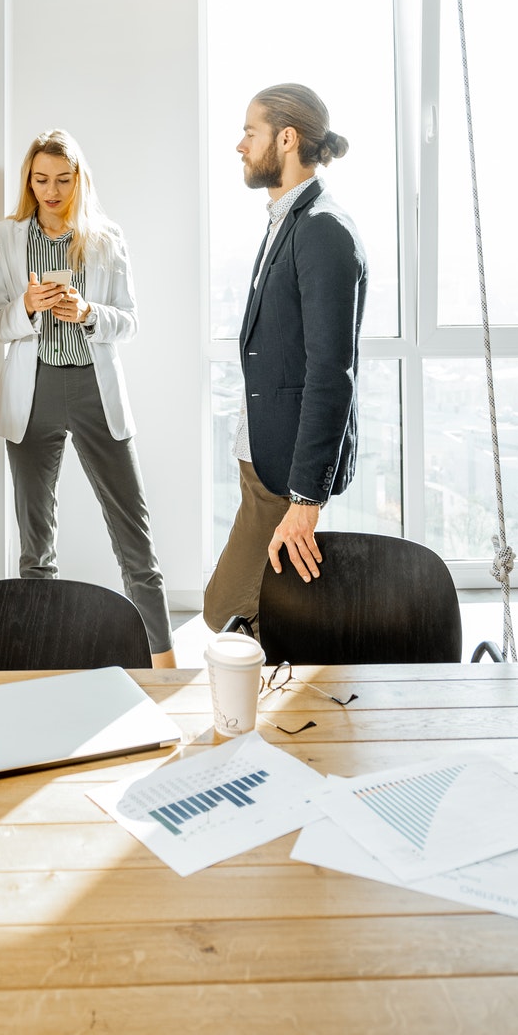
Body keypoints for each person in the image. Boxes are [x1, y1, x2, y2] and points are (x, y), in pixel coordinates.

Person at [0, 129, 175, 669]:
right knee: (35, 542)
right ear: (29, 180)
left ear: (79, 181)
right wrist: (26, 304)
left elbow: (131, 321)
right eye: (41, 179)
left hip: (94, 387)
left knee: (134, 536)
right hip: (35, 387)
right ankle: (42, 661)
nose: (51, 190)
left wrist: (88, 312)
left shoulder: (106, 238)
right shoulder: (4, 237)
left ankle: (165, 664)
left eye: (62, 180)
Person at [203, 83, 368, 636]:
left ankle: (309, 688)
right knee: (238, 610)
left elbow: (331, 373)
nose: (240, 145)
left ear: (288, 138)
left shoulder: (322, 228)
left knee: (227, 608)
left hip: (288, 473)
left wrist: (305, 497)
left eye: (251, 132)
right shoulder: (286, 218)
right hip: (265, 460)